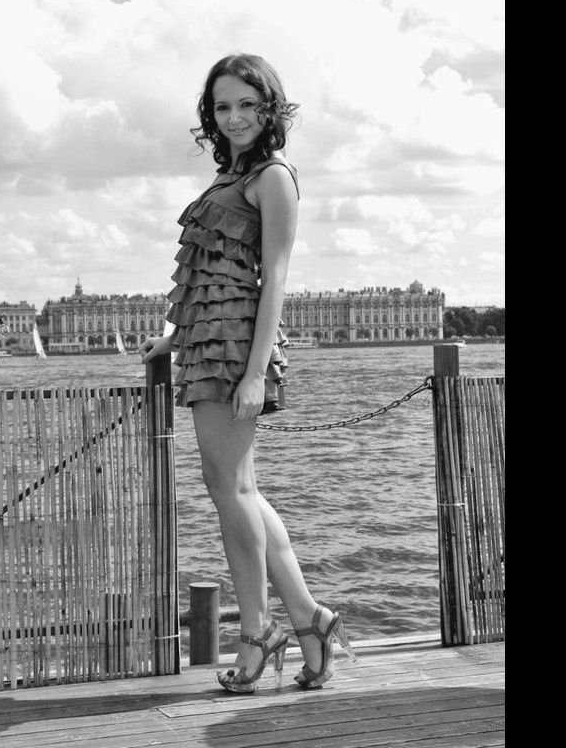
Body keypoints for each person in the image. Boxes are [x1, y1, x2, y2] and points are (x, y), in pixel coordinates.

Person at [139, 54, 355, 693]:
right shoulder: (230, 176)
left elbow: (274, 280)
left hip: (237, 353)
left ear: (270, 109)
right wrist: (176, 335)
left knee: (229, 491)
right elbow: (214, 276)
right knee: (241, 492)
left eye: (247, 105)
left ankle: (258, 632)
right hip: (210, 344)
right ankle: (311, 620)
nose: (234, 117)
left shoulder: (274, 177)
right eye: (223, 106)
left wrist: (256, 372)